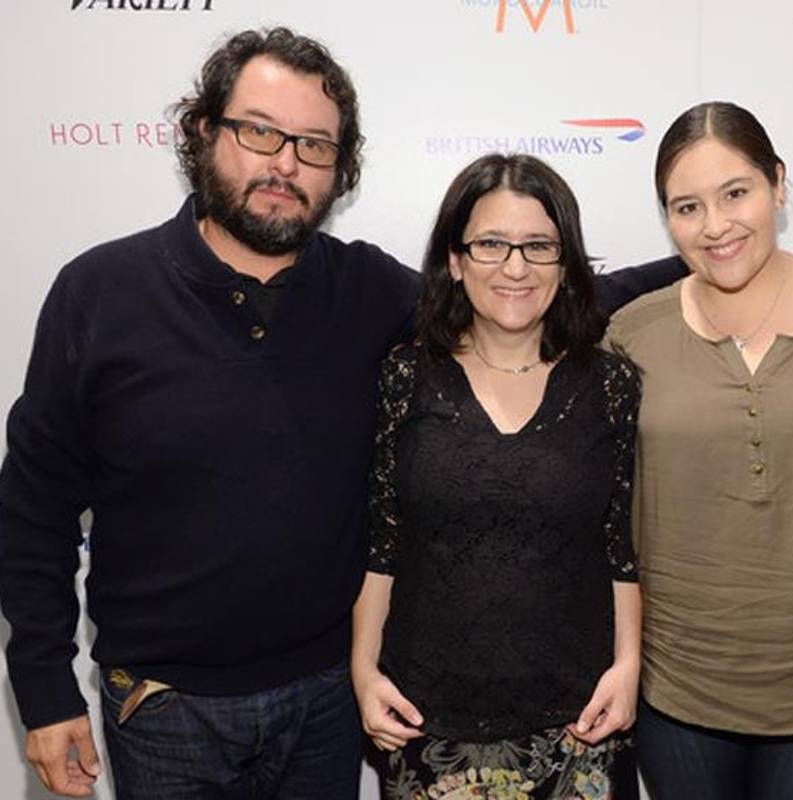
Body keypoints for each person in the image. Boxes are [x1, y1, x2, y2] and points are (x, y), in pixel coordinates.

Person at [0, 28, 683, 800]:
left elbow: (516, 298)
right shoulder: (100, 292)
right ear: (204, 131)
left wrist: (709, 249)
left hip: (324, 701)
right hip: (164, 707)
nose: (285, 163)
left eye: (314, 145)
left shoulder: (366, 292)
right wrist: (45, 689)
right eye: (259, 131)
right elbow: (34, 507)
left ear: (340, 166)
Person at [605, 101, 793, 799]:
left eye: (736, 193)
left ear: (778, 184)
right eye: (687, 207)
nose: (716, 225)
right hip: (677, 687)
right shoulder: (632, 333)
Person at [350, 153, 641, 799]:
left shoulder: (610, 384)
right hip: (426, 717)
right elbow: (383, 543)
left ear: (565, 264)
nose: (515, 267)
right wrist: (363, 672)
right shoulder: (405, 377)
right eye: (490, 244)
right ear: (455, 260)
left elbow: (619, 544)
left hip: (580, 720)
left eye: (539, 246)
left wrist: (628, 667)